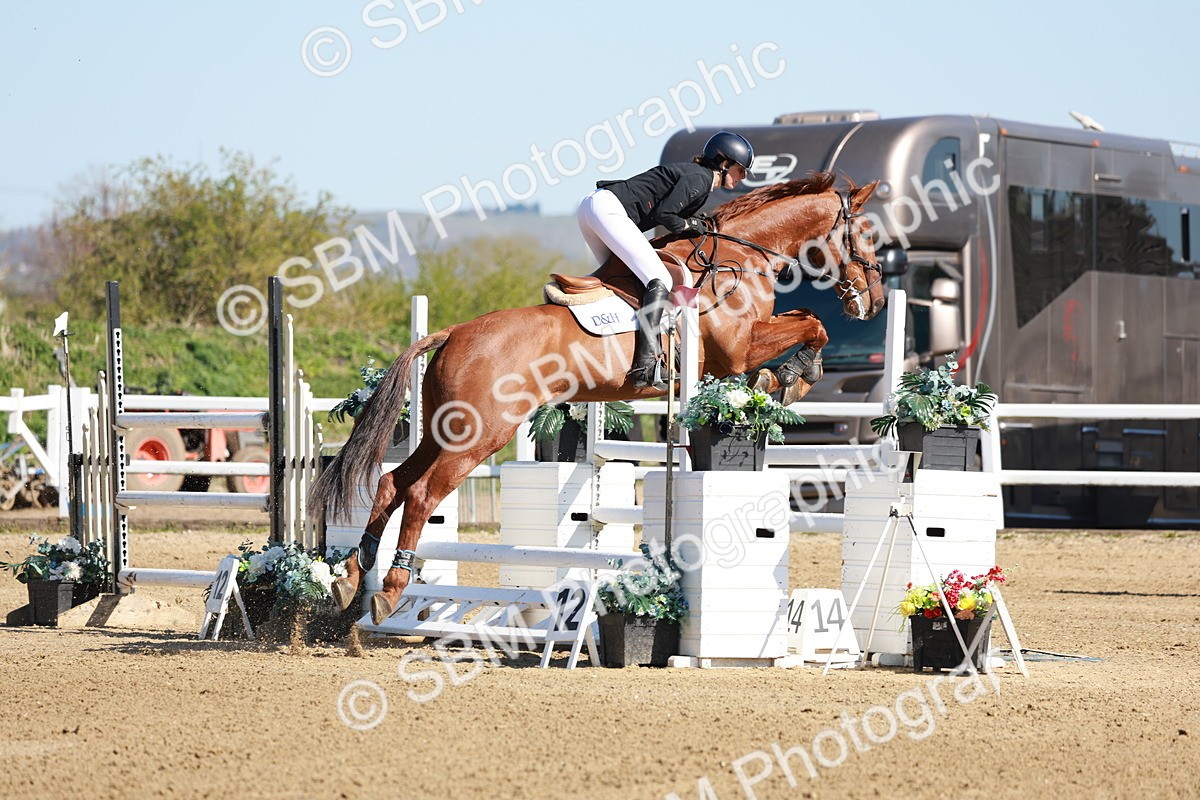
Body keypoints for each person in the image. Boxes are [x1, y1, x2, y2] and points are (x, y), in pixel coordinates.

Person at [577, 131, 754, 388]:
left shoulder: (699, 181)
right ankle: (646, 364)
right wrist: (690, 223)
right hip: (608, 210)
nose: (743, 177)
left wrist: (692, 223)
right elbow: (666, 215)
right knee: (658, 277)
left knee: (616, 281)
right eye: (741, 170)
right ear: (724, 162)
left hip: (593, 209)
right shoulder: (700, 178)